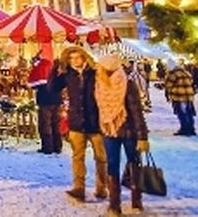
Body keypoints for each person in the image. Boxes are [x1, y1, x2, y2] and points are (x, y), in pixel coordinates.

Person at [50, 46, 108, 202]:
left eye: (77, 57)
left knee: (101, 158)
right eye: (71, 58)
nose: (74, 61)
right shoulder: (69, 75)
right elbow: (53, 87)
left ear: (84, 57)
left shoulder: (95, 73)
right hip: (76, 122)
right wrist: (55, 67)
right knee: (77, 157)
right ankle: (79, 188)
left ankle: (102, 188)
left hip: (95, 122)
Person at [94, 53, 149, 215]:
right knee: (113, 164)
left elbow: (136, 111)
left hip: (129, 131)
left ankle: (136, 199)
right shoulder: (99, 85)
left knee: (133, 162)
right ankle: (114, 203)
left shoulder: (128, 84)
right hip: (109, 130)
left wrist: (142, 136)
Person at [28, 56, 62, 154]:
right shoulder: (52, 69)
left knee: (45, 124)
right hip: (56, 100)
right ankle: (57, 146)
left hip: (45, 101)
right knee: (56, 123)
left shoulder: (39, 69)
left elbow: (32, 84)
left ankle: (47, 147)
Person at [164, 59, 196, 136]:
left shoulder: (172, 73)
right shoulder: (186, 72)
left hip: (179, 96)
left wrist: (165, 90)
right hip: (189, 96)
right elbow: (191, 82)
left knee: (181, 113)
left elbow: (168, 85)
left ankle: (184, 129)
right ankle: (191, 129)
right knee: (189, 113)